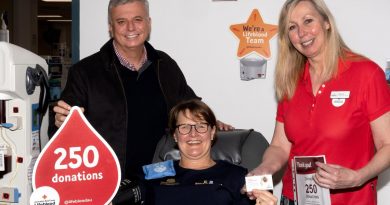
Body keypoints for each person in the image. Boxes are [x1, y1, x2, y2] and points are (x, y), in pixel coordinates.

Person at [52, 0, 232, 181]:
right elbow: (61, 130)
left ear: (148, 23)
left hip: (162, 179)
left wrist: (209, 121)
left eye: (138, 19)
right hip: (109, 182)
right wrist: (62, 124)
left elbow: (188, 107)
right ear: (111, 27)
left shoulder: (165, 64)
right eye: (121, 21)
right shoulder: (85, 72)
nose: (131, 27)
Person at [248, 0, 390, 205]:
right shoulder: (290, 80)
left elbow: (387, 144)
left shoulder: (366, 74)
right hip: (294, 198)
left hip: (350, 200)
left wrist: (358, 176)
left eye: (308, 21)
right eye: (292, 27)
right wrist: (264, 170)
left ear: (326, 23)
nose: (302, 33)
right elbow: (280, 146)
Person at [142, 99, 277, 205]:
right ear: (175, 135)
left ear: (212, 132)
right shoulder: (153, 174)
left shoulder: (237, 177)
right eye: (184, 127)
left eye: (201, 126)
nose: (193, 134)